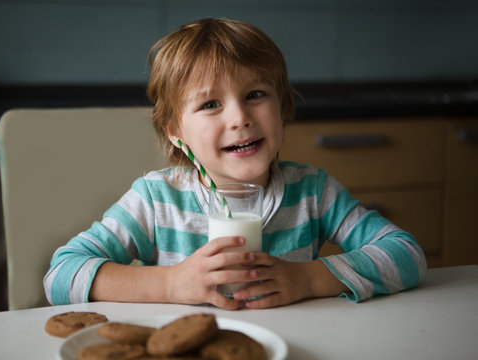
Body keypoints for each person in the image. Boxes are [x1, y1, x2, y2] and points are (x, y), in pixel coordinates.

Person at [44, 18, 427, 310]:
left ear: (283, 107)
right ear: (175, 130)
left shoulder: (313, 193)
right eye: (211, 104)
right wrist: (171, 284)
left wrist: (307, 279)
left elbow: (406, 253)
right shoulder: (156, 201)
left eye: (256, 94)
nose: (239, 117)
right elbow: (61, 275)